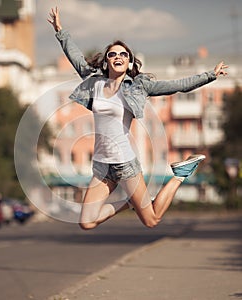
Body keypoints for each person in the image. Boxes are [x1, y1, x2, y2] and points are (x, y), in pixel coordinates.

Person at [48, 7, 228, 230]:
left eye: (124, 54)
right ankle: (128, 202)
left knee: (152, 220)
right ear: (106, 62)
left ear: (130, 62)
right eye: (112, 54)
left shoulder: (138, 87)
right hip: (101, 166)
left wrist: (209, 75)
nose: (118, 57)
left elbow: (177, 86)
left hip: (125, 163)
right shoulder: (95, 82)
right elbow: (76, 58)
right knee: (86, 222)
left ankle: (181, 173)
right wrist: (60, 31)